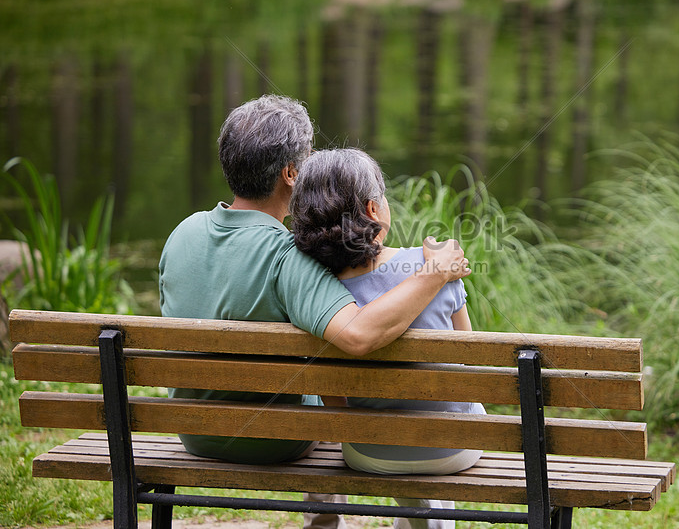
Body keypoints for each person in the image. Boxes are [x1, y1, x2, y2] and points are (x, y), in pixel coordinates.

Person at [158, 95, 470, 528]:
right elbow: (359, 335)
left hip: (193, 428)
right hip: (272, 440)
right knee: (323, 376)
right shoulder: (289, 257)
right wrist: (434, 274)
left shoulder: (182, 234)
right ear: (291, 174)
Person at [290, 148, 484, 529]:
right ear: (374, 210)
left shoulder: (316, 294)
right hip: (453, 448)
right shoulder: (433, 265)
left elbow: (334, 399)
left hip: (367, 450)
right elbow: (473, 364)